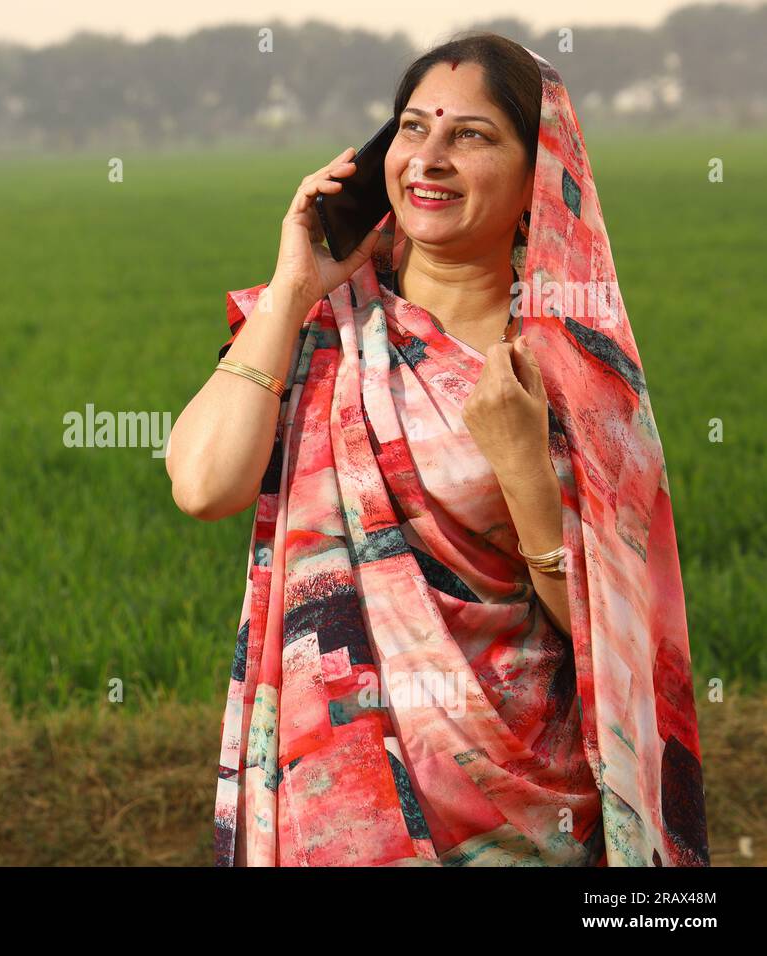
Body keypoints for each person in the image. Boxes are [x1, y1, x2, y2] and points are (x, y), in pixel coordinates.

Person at [165, 32, 710, 867]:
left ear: (540, 176)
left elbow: (624, 644)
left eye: (473, 135)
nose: (431, 158)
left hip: (521, 815)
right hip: (336, 805)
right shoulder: (322, 328)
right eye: (414, 128)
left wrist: (526, 470)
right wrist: (294, 283)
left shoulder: (578, 372)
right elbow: (204, 484)